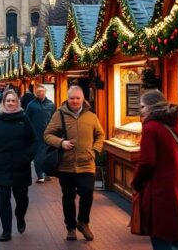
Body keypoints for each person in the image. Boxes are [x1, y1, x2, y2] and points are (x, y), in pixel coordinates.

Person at [131, 89, 178, 250]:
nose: (141, 111)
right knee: (177, 235)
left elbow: (147, 161)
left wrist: (137, 182)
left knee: (161, 236)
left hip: (160, 190)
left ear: (151, 107)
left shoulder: (150, 127)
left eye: (142, 107)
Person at [44, 85, 105, 242]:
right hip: (66, 165)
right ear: (68, 99)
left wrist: (95, 151)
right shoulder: (59, 115)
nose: (75, 101)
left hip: (87, 164)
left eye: (78, 98)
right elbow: (47, 135)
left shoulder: (91, 116)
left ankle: (83, 222)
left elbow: (100, 134)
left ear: (83, 99)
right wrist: (61, 142)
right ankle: (70, 227)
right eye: (72, 98)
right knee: (68, 197)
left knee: (87, 192)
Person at [0, 89, 37, 242]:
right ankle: (6, 230)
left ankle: (20, 216)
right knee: (4, 198)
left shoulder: (24, 119)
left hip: (21, 164)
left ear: (17, 102)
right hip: (2, 165)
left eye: (13, 101)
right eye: (8, 101)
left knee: (22, 198)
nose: (11, 103)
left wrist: (28, 156)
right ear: (4, 103)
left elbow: (33, 140)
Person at [25, 85, 56, 183]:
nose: (40, 94)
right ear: (35, 93)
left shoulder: (51, 104)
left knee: (48, 154)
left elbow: (54, 119)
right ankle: (40, 174)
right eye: (38, 92)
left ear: (45, 92)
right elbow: (27, 119)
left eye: (42, 92)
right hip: (36, 134)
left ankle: (47, 172)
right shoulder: (31, 105)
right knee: (38, 156)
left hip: (49, 134)